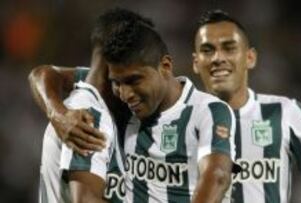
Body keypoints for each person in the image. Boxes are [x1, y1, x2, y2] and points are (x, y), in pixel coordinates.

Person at [29, 7, 236, 203]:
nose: (125, 94)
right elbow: (44, 74)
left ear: (165, 66)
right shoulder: (104, 100)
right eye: (117, 82)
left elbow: (217, 175)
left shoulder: (207, 110)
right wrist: (58, 114)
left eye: (134, 81)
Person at [191, 10, 301, 203]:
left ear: (250, 58)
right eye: (207, 50)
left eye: (229, 48)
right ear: (196, 63)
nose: (218, 58)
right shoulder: (174, 122)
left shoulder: (284, 112)